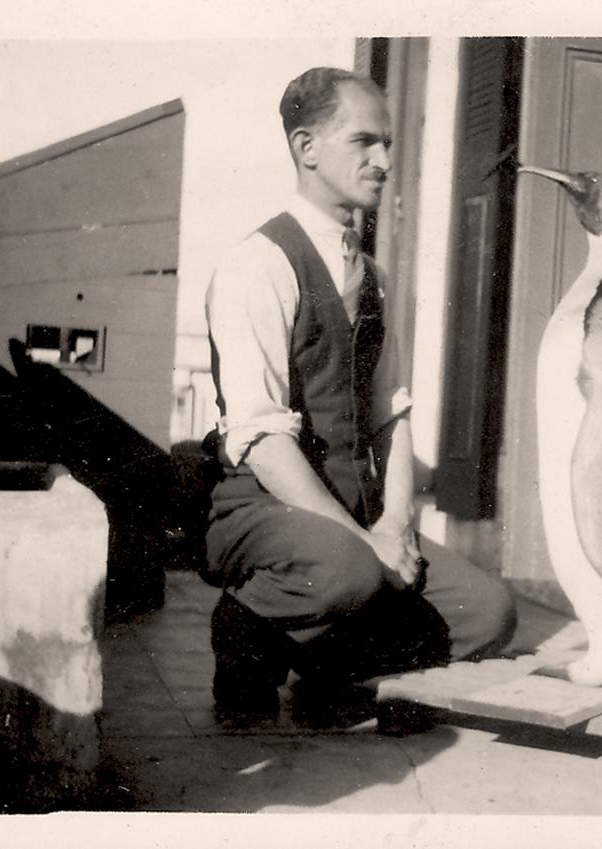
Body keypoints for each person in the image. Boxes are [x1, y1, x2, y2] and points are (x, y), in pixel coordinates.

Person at [203, 67, 517, 716]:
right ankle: (245, 629)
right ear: (306, 147)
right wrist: (365, 543)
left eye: (389, 144)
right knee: (347, 570)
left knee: (488, 612)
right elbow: (260, 440)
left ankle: (330, 662)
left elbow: (390, 413)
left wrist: (397, 523)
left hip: (356, 518)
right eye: (364, 142)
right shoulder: (255, 265)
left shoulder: (369, 276)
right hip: (262, 512)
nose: (384, 161)